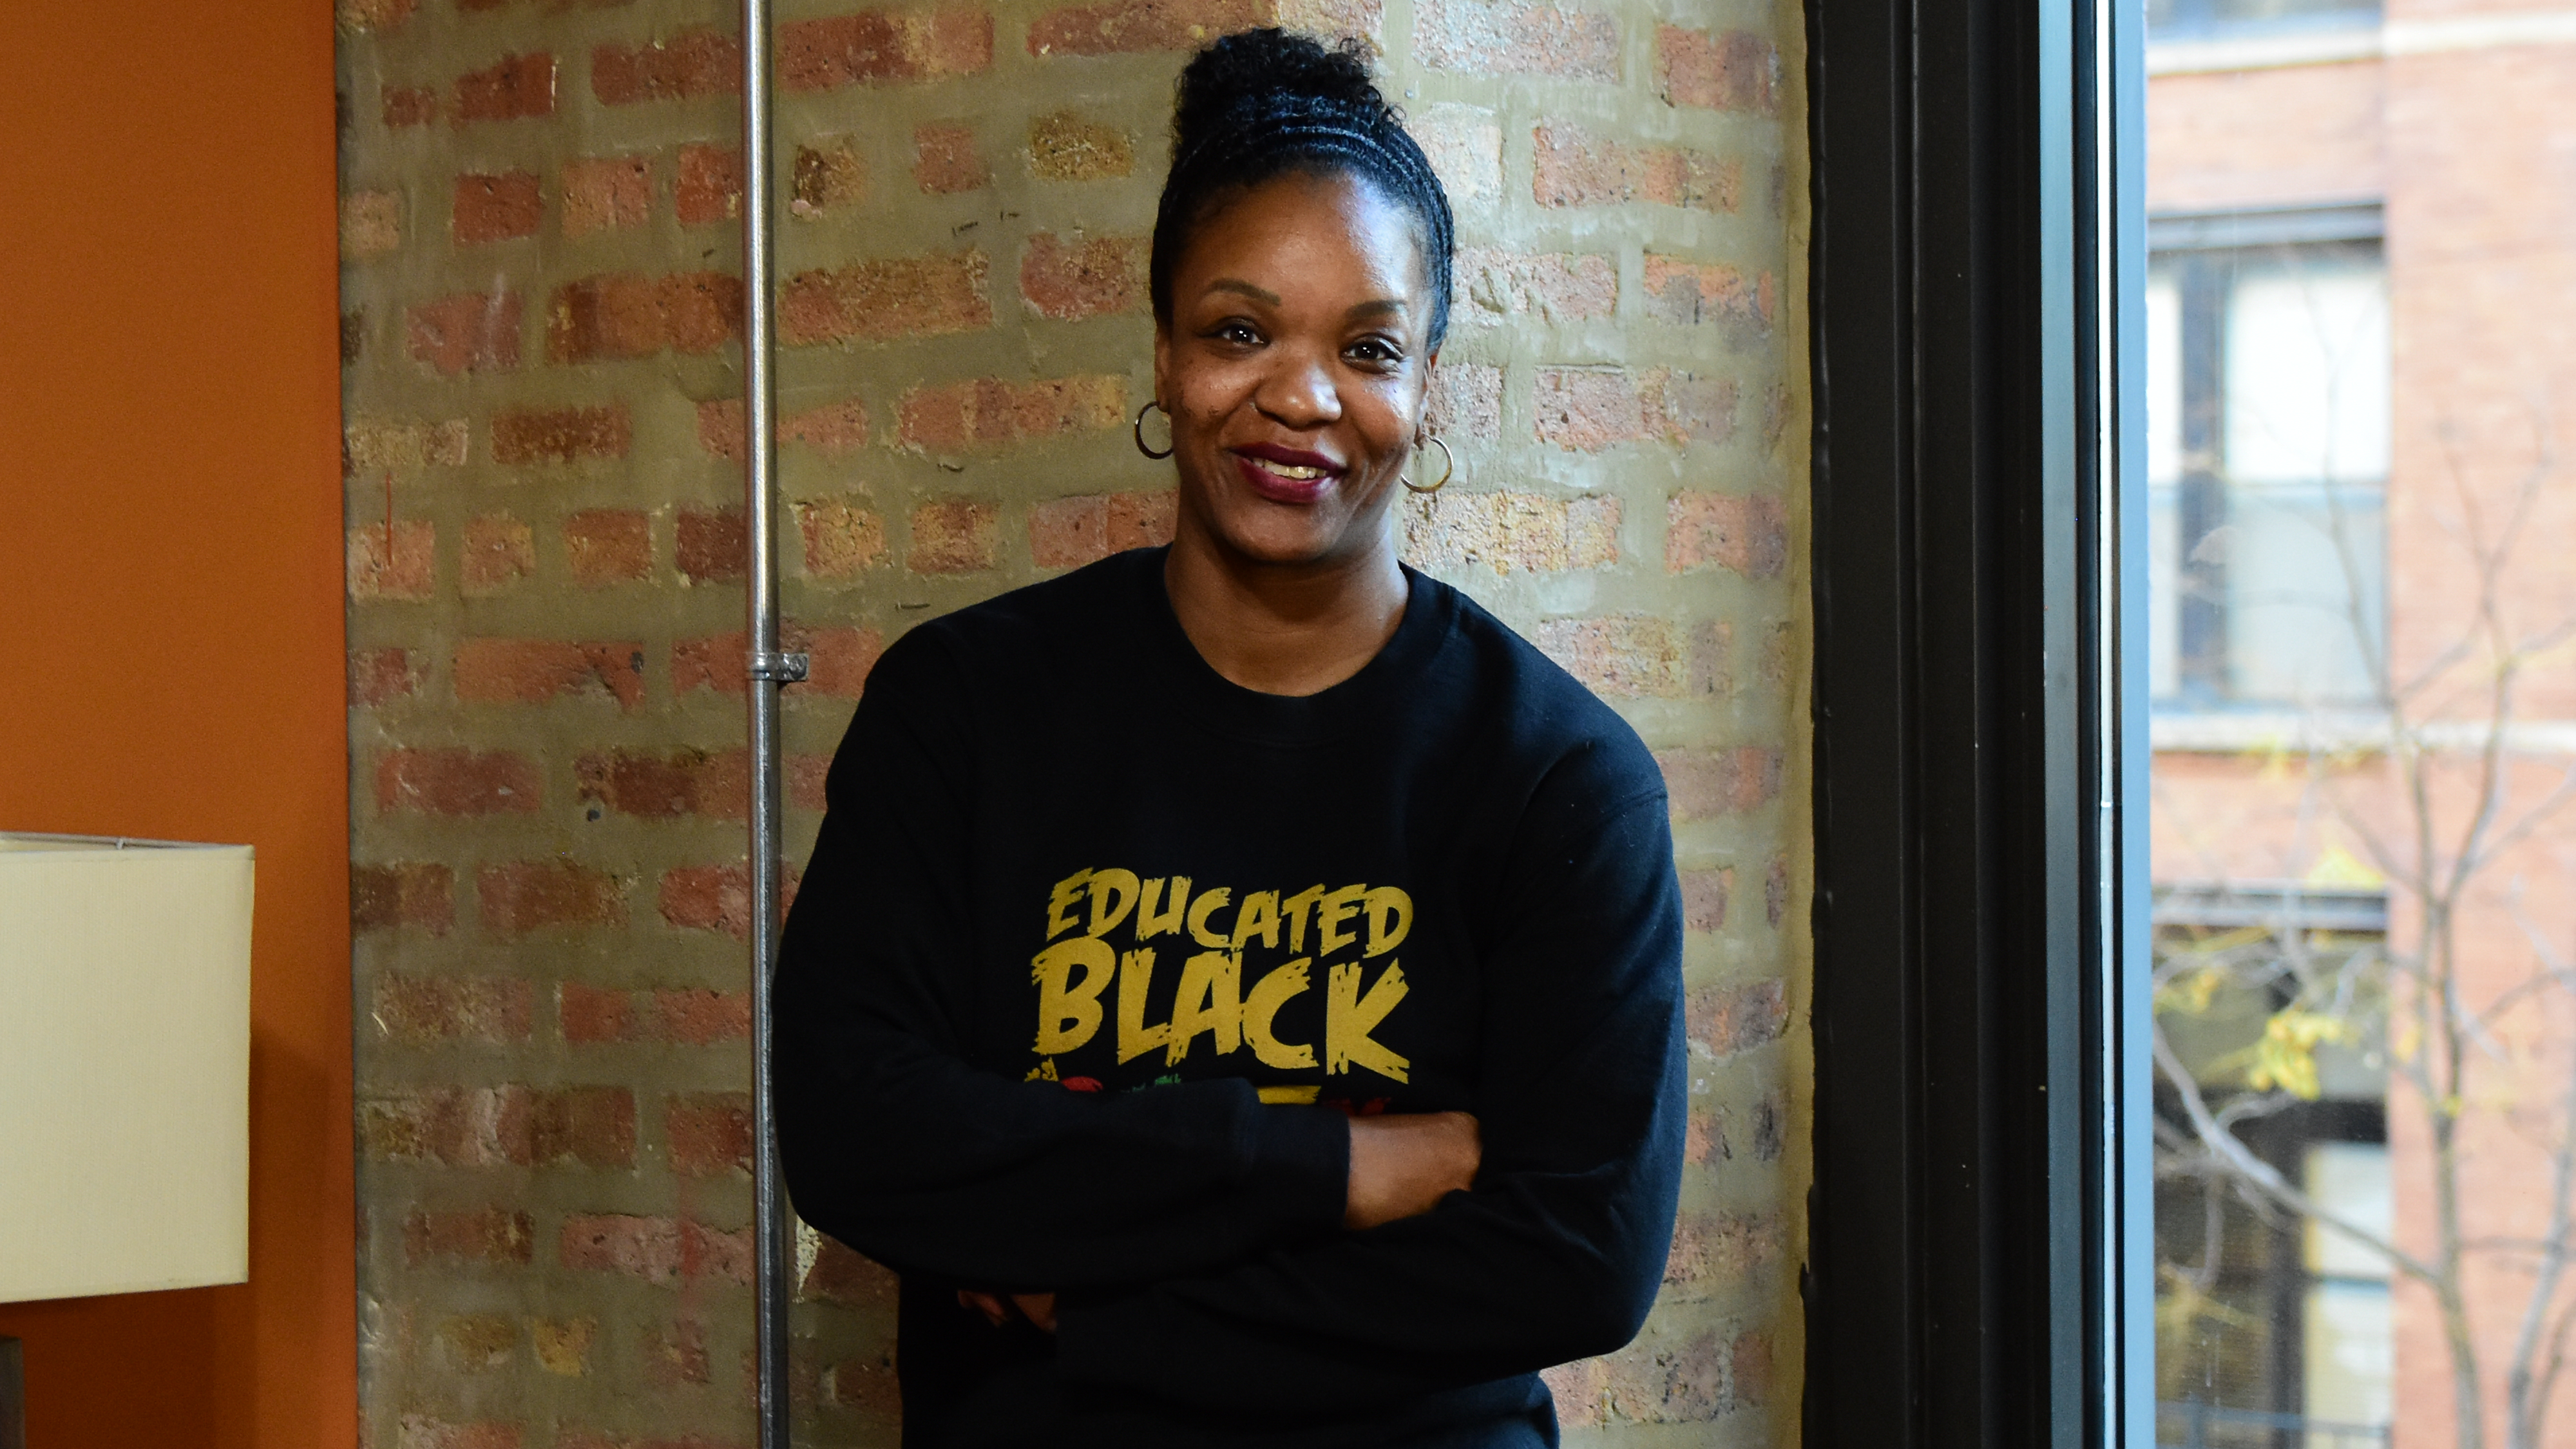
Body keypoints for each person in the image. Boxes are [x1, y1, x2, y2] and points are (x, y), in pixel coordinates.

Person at [773, 28, 1686, 1446]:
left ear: (1427, 384)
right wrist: (1333, 1168)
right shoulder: (966, 708)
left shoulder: (1556, 779)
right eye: (1241, 330)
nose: (1302, 398)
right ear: (1163, 350)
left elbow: (1577, 1259)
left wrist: (1101, 1307)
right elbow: (858, 1133)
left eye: (1368, 346)